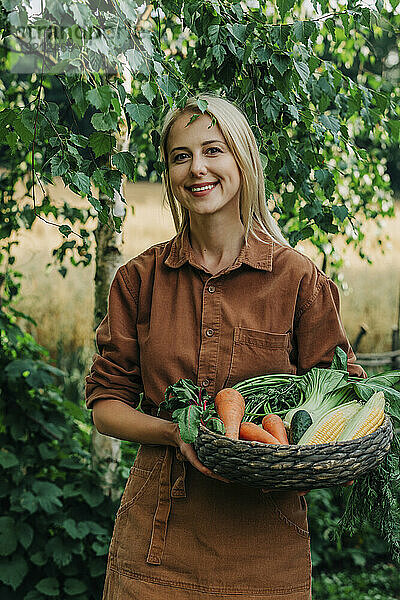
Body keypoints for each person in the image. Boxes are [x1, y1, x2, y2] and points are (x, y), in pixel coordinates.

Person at [85, 94, 366, 600]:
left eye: (213, 150)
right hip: (157, 544)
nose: (197, 168)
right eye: (180, 155)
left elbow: (342, 401)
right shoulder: (139, 281)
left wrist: (319, 454)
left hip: (266, 551)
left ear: (242, 160)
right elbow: (105, 407)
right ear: (169, 172)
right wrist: (177, 434)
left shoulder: (299, 281)